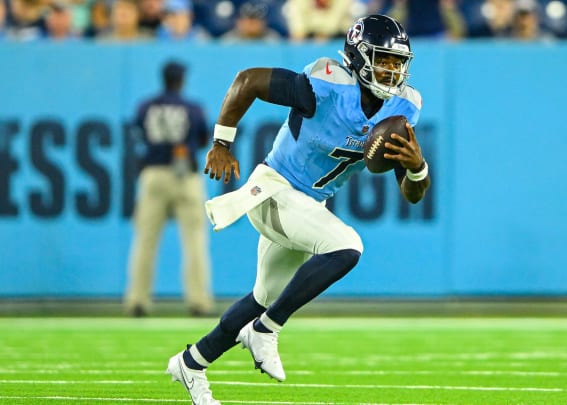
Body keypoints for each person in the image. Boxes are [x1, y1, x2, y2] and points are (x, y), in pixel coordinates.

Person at [165, 14, 431, 404]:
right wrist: (221, 143)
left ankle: (192, 362)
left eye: (396, 63)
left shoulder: (403, 109)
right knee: (347, 246)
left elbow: (413, 195)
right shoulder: (327, 85)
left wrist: (417, 166)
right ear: (357, 57)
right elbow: (247, 80)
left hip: (306, 205)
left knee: (261, 296)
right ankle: (267, 329)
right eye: (382, 60)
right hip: (274, 190)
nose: (390, 71)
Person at [124, 60, 215, 318]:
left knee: (145, 240)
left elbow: (139, 131)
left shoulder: (146, 106)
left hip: (154, 172)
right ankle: (199, 301)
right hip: (185, 174)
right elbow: (201, 138)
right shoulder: (193, 108)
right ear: (181, 80)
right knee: (195, 241)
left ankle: (138, 300)